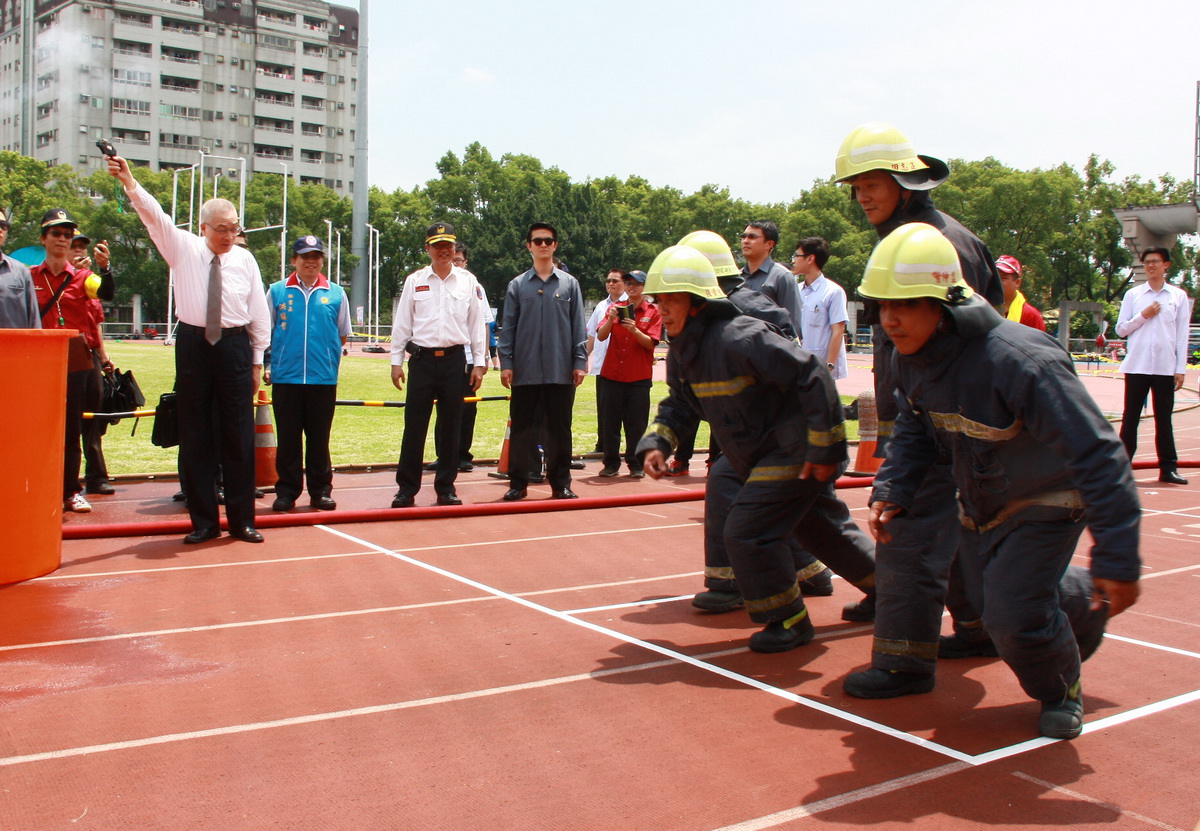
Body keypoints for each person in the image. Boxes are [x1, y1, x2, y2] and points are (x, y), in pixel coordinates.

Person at [857, 223, 1138, 739]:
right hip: (985, 498)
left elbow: (1098, 453)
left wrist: (1118, 556)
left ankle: (1060, 688)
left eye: (905, 305)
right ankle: (1081, 601)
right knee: (994, 602)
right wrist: (892, 488)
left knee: (1012, 617)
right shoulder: (910, 357)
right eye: (880, 307)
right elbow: (918, 427)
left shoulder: (1021, 361)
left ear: (946, 304)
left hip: (1051, 499)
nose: (888, 320)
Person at [833, 122, 1005, 697]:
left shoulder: (938, 243)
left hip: (940, 415)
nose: (861, 195)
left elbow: (974, 337)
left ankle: (904, 664)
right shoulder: (916, 237)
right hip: (928, 412)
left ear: (905, 182)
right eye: (854, 185)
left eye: (871, 182)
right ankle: (981, 627)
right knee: (950, 530)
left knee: (905, 529)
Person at [637, 245, 875, 653]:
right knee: (823, 530)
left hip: (793, 450)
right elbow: (678, 404)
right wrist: (657, 442)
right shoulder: (682, 351)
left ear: (698, 303)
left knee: (747, 531)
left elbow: (813, 374)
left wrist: (826, 447)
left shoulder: (741, 336)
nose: (664, 310)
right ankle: (892, 591)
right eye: (659, 301)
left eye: (672, 300)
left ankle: (789, 620)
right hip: (759, 455)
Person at [670, 230, 841, 610]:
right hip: (745, 424)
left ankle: (762, 597)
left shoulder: (750, 309)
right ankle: (807, 574)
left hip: (771, 431)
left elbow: (793, 371)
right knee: (789, 508)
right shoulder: (719, 310)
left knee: (743, 496)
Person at [109, 153, 270, 545]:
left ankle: (242, 520)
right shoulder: (181, 247)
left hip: (234, 346)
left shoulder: (245, 259)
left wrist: (255, 362)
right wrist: (130, 181)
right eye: (221, 229)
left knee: (238, 434)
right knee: (196, 433)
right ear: (203, 228)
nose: (228, 236)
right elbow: (154, 215)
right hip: (195, 345)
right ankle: (204, 522)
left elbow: (258, 313)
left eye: (234, 228)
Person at [389, 222, 487, 508]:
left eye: (448, 246)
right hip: (421, 361)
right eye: (437, 246)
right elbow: (403, 323)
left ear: (454, 248)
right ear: (427, 249)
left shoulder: (468, 281)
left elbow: (476, 326)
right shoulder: (414, 280)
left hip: (455, 361)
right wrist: (396, 361)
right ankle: (406, 489)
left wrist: (479, 363)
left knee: (451, 427)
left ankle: (446, 487)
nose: (444, 251)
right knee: (415, 426)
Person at [31, 209, 115, 514]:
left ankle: (70, 491)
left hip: (76, 361)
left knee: (71, 429)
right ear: (43, 238)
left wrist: (106, 269)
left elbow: (105, 291)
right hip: (39, 361)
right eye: (56, 234)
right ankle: (36, 486)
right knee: (37, 428)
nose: (62, 240)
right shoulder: (28, 276)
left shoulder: (82, 278)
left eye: (67, 235)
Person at [497, 222, 587, 501]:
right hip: (525, 370)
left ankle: (560, 484)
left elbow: (578, 327)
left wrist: (579, 361)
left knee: (559, 430)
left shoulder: (570, 284)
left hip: (561, 371)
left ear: (555, 245)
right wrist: (506, 362)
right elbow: (508, 327)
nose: (543, 245)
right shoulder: (517, 285)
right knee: (523, 429)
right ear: (529, 246)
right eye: (538, 241)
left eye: (548, 240)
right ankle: (518, 483)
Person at [265, 235, 350, 512]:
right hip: (286, 378)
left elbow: (342, 334)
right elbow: (266, 331)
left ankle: (320, 490)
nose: (311, 261)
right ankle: (287, 492)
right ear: (294, 260)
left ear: (322, 260)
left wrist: (325, 360)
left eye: (316, 256)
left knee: (319, 438)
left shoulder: (336, 293)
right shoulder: (277, 291)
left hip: (322, 379)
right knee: (288, 439)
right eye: (305, 256)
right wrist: (269, 364)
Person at [1116, 247, 1191, 485]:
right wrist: (1144, 315)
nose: (1150, 265)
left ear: (1166, 265)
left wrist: (1180, 368)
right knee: (1131, 418)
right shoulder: (1133, 295)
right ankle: (1122, 469)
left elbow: (1182, 335)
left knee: (1164, 419)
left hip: (1164, 367)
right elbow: (1121, 329)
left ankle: (1168, 468)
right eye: (1146, 262)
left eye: (1155, 261)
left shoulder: (1178, 297)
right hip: (1137, 366)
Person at [595, 269, 661, 477]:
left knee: (637, 424)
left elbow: (651, 343)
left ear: (644, 287)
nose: (632, 287)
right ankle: (611, 463)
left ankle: (636, 464)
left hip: (638, 376)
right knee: (610, 422)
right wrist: (609, 320)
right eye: (629, 283)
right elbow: (601, 336)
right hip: (612, 374)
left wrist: (635, 330)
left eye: (637, 284)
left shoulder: (653, 311)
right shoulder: (615, 308)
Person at [70, 230, 117, 496]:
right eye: (73, 247)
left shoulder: (90, 283)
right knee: (68, 423)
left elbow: (95, 324)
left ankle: (96, 476)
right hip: (64, 354)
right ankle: (67, 479)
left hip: (88, 356)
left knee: (94, 418)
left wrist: (103, 357)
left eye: (82, 248)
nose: (79, 252)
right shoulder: (52, 281)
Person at [446, 242, 494, 472]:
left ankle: (463, 454)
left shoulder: (475, 286)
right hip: (445, 358)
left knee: (467, 408)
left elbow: (483, 323)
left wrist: (482, 358)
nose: (456, 264)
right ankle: (444, 455)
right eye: (452, 260)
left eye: (459, 260)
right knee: (443, 409)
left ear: (466, 262)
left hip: (468, 357)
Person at [792, 236, 849, 379]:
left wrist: (829, 366)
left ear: (810, 259)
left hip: (820, 368)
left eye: (797, 255)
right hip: (798, 364)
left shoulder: (833, 292)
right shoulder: (796, 290)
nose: (793, 260)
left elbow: (838, 331)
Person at [586, 268, 627, 452]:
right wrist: (582, 360)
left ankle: (631, 450)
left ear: (624, 283)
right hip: (602, 367)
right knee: (603, 410)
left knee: (626, 412)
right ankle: (603, 445)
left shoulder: (628, 304)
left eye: (615, 281)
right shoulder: (602, 306)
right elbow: (592, 336)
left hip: (624, 368)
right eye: (608, 280)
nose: (610, 283)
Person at [739, 220, 804, 333]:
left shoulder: (782, 277)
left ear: (769, 244)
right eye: (743, 237)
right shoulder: (736, 278)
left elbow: (793, 324)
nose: (745, 241)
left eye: (752, 237)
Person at [0, 208, 40, 329]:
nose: (0, 230)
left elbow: (34, 321)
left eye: (4, 226)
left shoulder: (20, 271)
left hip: (14, 346)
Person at [996, 255, 1046, 331]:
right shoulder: (983, 308)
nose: (996, 281)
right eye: (995, 277)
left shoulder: (1031, 315)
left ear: (1017, 283)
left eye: (1003, 278)